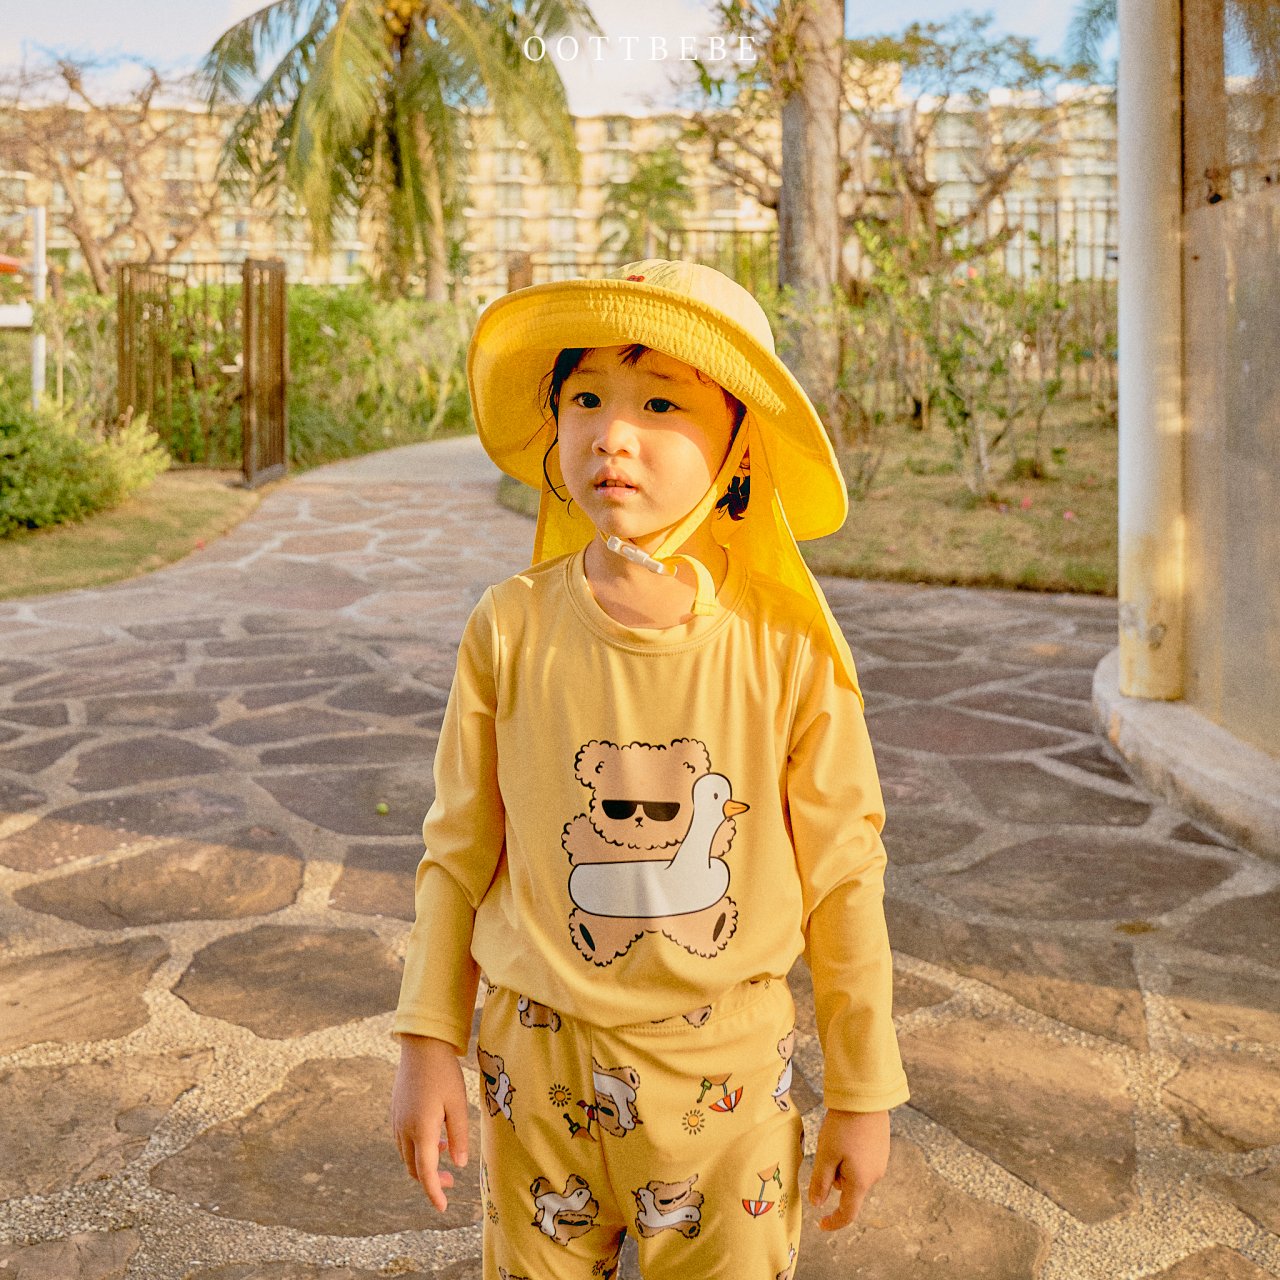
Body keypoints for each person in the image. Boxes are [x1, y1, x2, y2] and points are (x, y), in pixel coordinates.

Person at [390, 259, 909, 1280]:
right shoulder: (507, 628)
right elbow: (457, 848)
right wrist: (425, 1041)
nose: (610, 434)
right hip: (534, 1068)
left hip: (724, 1084)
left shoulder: (788, 651)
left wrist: (862, 1090)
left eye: (660, 402)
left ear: (739, 445)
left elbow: (845, 872)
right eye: (585, 397)